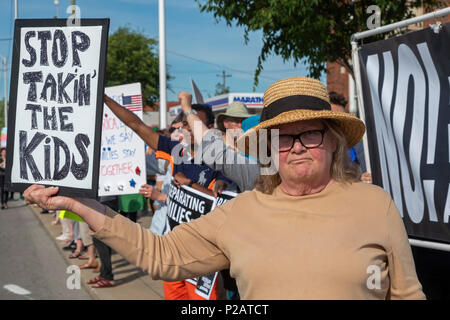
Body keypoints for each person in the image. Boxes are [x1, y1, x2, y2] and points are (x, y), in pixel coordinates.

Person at [24, 77, 425, 299]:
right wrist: (80, 203)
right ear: (268, 148)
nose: (297, 147)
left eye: (311, 134)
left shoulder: (375, 205)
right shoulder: (242, 211)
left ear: (334, 139)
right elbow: (161, 254)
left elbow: (408, 294)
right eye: (283, 138)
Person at [328, 91, 372, 183]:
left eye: (343, 119)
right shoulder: (314, 154)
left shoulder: (362, 150)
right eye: (333, 120)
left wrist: (367, 179)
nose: (339, 125)